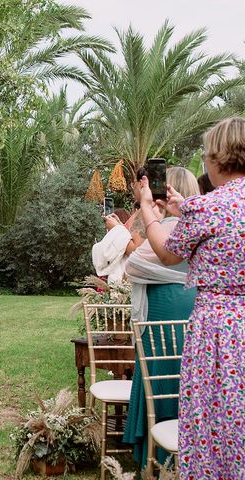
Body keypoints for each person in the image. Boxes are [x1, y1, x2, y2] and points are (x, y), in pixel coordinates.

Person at [138, 117, 245, 479]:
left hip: (219, 331)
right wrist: (186, 207)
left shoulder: (209, 207)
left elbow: (168, 252)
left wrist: (149, 212)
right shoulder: (208, 208)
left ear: (217, 159)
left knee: (214, 422)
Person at [122, 167, 200, 468]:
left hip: (163, 304)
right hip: (194, 304)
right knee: (187, 370)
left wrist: (148, 213)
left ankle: (158, 449)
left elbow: (135, 265)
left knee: (159, 369)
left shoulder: (166, 227)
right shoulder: (201, 226)